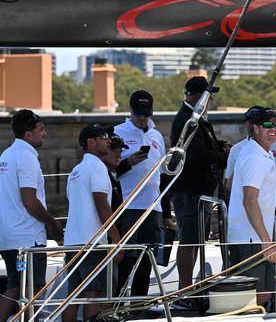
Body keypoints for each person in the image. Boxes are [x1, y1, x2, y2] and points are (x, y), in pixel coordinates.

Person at [169, 76, 229, 309]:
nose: (210, 100)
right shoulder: (187, 120)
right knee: (189, 241)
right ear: (193, 95)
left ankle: (190, 288)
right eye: (207, 95)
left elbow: (204, 148)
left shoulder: (197, 120)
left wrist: (219, 146)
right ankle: (184, 291)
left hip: (199, 189)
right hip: (189, 189)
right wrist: (225, 157)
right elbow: (196, 153)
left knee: (195, 240)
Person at [0, 110, 62, 321]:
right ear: (28, 134)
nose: (43, 133)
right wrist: (52, 223)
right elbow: (29, 200)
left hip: (9, 236)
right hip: (27, 239)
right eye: (40, 129)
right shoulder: (27, 158)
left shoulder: (6, 155)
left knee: (17, 286)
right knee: (31, 288)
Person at [113, 90, 171, 298]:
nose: (143, 119)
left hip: (152, 208)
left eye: (146, 114)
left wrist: (166, 213)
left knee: (147, 261)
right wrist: (128, 163)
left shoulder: (156, 135)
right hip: (127, 207)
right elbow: (109, 172)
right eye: (138, 114)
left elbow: (163, 176)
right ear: (130, 110)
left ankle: (138, 309)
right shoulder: (117, 132)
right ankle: (116, 306)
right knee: (126, 260)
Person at [63, 124, 122, 322]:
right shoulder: (97, 166)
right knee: (93, 294)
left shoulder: (76, 170)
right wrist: (116, 239)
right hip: (92, 242)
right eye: (104, 137)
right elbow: (101, 204)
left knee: (74, 295)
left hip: (72, 241)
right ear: (90, 142)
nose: (109, 140)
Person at [227, 109, 276, 306]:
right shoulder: (254, 156)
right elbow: (250, 200)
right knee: (252, 298)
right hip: (250, 238)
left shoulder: (262, 153)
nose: (273, 129)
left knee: (264, 294)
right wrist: (266, 241)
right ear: (256, 128)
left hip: (257, 237)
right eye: (267, 125)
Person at [224, 106, 276, 225]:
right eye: (268, 125)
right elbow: (230, 187)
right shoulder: (239, 150)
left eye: (275, 125)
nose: (273, 129)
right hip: (248, 218)